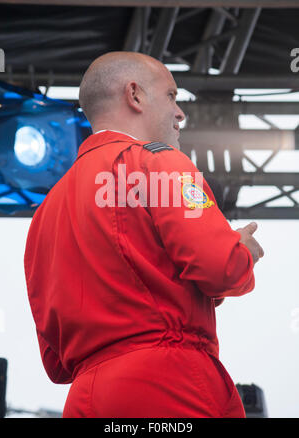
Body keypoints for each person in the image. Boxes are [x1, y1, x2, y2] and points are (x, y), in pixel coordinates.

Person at [24, 51, 264, 418]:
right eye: (171, 95)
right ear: (134, 95)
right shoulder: (159, 162)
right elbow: (221, 268)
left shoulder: (45, 213)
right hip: (167, 386)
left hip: (85, 398)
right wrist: (242, 250)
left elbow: (55, 359)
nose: (180, 113)